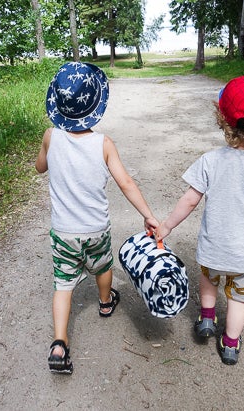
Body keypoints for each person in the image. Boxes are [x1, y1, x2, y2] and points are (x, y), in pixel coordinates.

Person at [156, 75, 244, 365]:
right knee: (238, 299)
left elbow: (189, 200)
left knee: (209, 279)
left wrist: (166, 226)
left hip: (213, 247)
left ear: (222, 118)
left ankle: (207, 318)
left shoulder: (211, 160)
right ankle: (230, 344)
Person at [36, 61, 159, 374]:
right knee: (103, 266)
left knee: (63, 284)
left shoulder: (50, 136)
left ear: (57, 104)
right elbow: (126, 182)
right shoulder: (103, 144)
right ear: (95, 105)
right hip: (95, 229)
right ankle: (105, 302)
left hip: (63, 231)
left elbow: (40, 167)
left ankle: (59, 343)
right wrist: (148, 215)